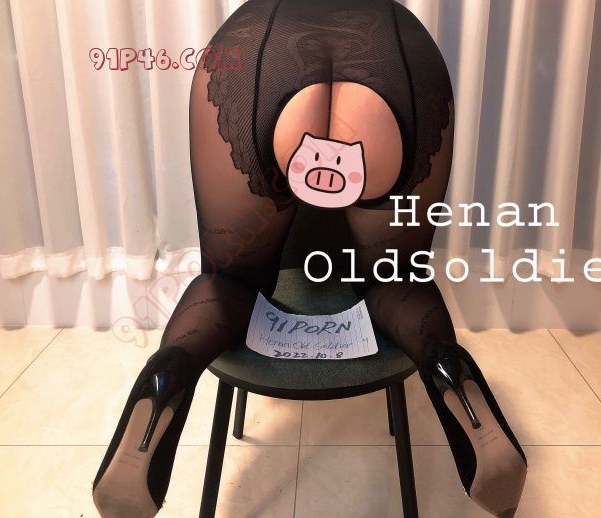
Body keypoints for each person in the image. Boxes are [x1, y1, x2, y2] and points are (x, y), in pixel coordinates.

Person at [92, 1, 527, 516]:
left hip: (261, 49)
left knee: (229, 279)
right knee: (396, 276)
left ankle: (169, 375)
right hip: (393, 50)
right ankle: (448, 367)